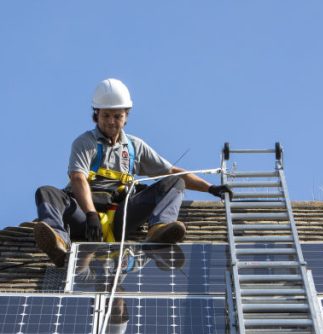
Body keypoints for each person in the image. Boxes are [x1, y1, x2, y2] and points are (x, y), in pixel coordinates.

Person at [33, 78, 232, 267]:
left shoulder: (135, 147)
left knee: (174, 181)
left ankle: (159, 229)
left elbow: (171, 171)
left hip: (121, 215)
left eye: (117, 116)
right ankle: (58, 240)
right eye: (106, 115)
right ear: (97, 115)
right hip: (84, 217)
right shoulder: (85, 143)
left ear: (126, 116)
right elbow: (78, 178)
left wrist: (210, 188)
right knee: (46, 192)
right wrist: (91, 213)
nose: (111, 121)